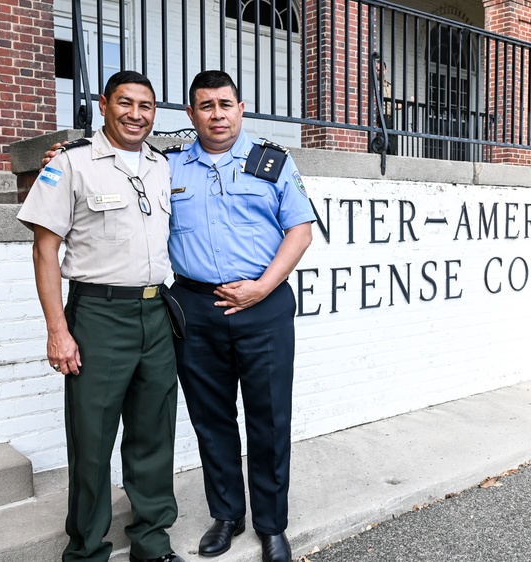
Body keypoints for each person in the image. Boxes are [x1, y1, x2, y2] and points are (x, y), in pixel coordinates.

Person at [18, 70, 184, 562]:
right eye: (125, 103)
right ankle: (87, 549)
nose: (136, 114)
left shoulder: (161, 165)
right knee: (92, 440)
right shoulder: (71, 164)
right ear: (104, 104)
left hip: (156, 313)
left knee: (154, 434)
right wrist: (57, 332)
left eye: (147, 106)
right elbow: (44, 251)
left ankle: (152, 543)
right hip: (98, 315)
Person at [166, 70, 314, 562]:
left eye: (225, 104)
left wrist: (260, 289)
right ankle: (227, 514)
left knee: (269, 418)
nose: (217, 114)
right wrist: (67, 152)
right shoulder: (165, 167)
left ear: (241, 108)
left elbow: (300, 231)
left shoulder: (270, 162)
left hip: (264, 305)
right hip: (197, 307)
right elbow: (115, 161)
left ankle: (272, 525)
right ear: (190, 114)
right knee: (212, 418)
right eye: (205, 106)